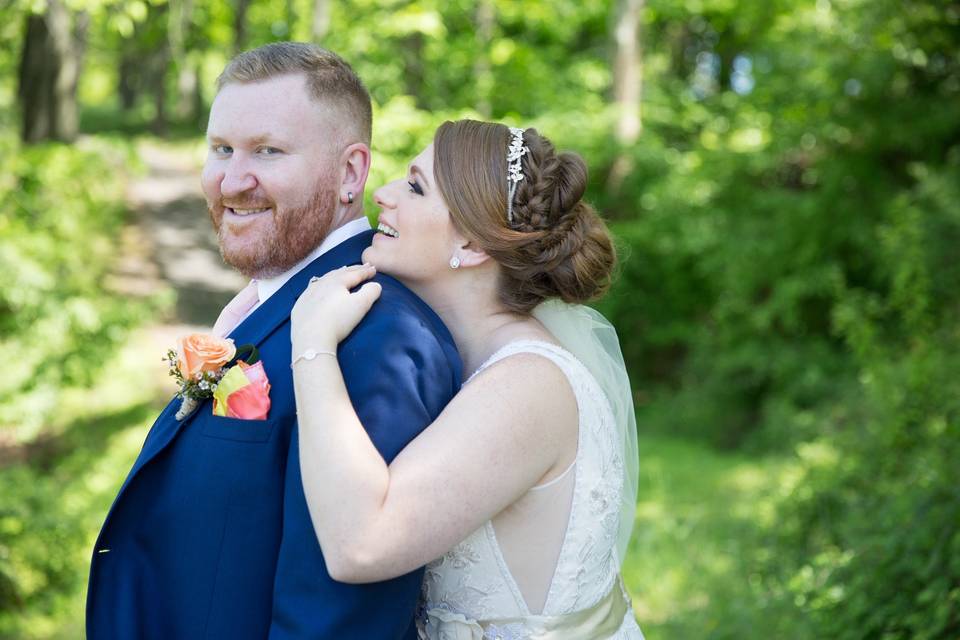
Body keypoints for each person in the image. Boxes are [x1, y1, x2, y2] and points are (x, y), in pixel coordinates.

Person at [86, 42, 462, 639]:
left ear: (350, 173)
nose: (233, 181)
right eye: (221, 149)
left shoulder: (380, 338)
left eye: (268, 151)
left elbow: (337, 618)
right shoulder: (268, 305)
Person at [291, 120, 643, 638]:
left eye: (415, 187)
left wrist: (312, 346)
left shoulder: (529, 386)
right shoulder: (476, 359)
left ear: (474, 244)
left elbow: (360, 545)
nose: (383, 194)